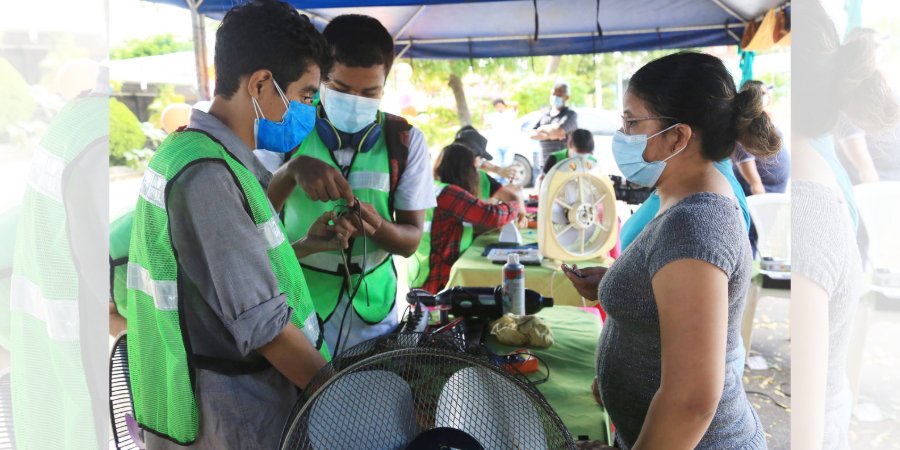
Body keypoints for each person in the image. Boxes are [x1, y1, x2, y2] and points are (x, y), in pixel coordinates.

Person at [122, 2, 338, 448]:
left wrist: (306, 245)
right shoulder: (207, 177)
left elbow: (221, 279)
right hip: (237, 414)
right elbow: (266, 328)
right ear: (261, 84)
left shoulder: (200, 154)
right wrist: (342, 395)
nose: (308, 111)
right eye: (305, 95)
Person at [566, 52, 780, 449]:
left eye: (632, 121)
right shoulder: (681, 198)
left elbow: (691, 402)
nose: (622, 133)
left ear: (678, 137)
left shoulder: (695, 224)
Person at [267, 14, 435, 356]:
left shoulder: (405, 141)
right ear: (320, 78)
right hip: (297, 306)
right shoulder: (286, 128)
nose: (356, 100)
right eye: (341, 90)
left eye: (369, 92)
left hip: (376, 314)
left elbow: (410, 241)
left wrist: (377, 227)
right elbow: (253, 225)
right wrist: (289, 172)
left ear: (385, 86)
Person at [409, 127, 525, 290]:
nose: (477, 172)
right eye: (474, 168)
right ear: (465, 169)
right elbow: (493, 216)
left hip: (425, 273)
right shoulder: (449, 193)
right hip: (435, 279)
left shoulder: (435, 187)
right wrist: (515, 206)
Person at [731, 81, 791, 195]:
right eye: (762, 94)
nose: (767, 98)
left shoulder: (765, 125)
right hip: (762, 195)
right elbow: (756, 186)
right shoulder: (745, 132)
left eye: (767, 94)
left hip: (776, 191)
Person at [531, 81, 578, 161]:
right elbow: (532, 133)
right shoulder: (545, 116)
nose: (555, 96)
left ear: (566, 97)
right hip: (545, 163)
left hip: (564, 163)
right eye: (553, 94)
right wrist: (550, 135)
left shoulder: (570, 115)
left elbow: (559, 131)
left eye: (559, 95)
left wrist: (542, 132)